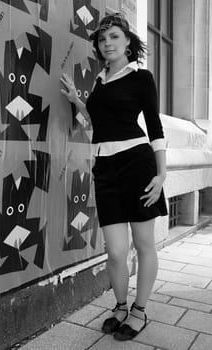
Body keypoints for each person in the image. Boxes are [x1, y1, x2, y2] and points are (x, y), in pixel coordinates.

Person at [60, 12, 167, 342]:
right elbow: (97, 121)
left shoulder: (141, 78)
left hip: (138, 165)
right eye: (102, 39)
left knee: (144, 243)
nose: (107, 44)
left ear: (128, 43)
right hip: (105, 168)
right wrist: (78, 100)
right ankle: (120, 306)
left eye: (114, 38)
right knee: (117, 251)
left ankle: (139, 310)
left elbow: (155, 128)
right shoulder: (100, 81)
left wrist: (161, 175)